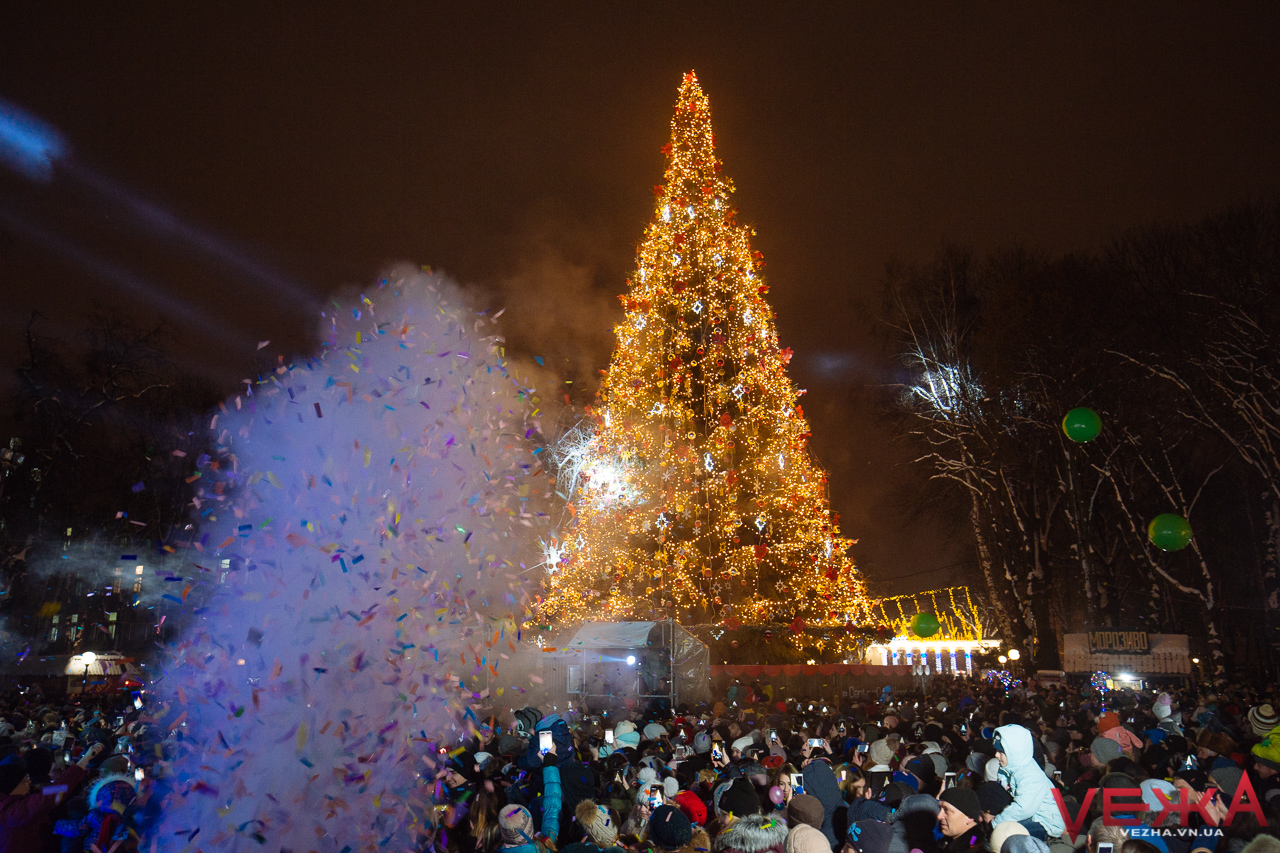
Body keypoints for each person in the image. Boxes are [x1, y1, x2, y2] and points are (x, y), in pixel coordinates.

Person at [0, 741, 102, 853]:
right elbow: (56, 791)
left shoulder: (18, 801)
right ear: (12, 787)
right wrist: (84, 760)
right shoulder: (14, 811)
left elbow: (51, 790)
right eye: (24, 780)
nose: (29, 782)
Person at [989, 725, 1066, 842]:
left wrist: (997, 822)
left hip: (1046, 823)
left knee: (1004, 835)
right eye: (996, 751)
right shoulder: (1010, 768)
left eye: (1001, 752)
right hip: (1032, 817)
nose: (996, 755)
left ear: (1014, 752)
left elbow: (1023, 808)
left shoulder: (1030, 775)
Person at [938, 787, 987, 852]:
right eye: (940, 808)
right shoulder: (947, 842)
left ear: (969, 817)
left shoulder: (976, 849)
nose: (939, 816)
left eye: (946, 810)